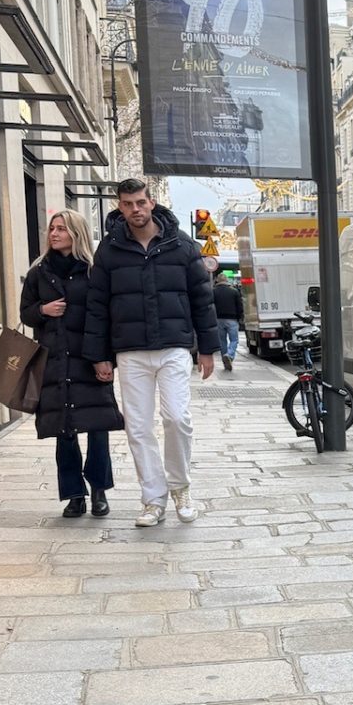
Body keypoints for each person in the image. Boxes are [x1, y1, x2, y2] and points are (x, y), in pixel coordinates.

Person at [83, 177, 219, 527]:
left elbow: (202, 299)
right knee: (138, 427)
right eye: (127, 204)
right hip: (130, 351)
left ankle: (181, 487)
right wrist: (100, 355)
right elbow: (97, 305)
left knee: (177, 418)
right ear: (119, 206)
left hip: (174, 346)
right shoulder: (110, 250)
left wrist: (208, 349)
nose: (135, 210)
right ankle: (153, 499)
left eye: (140, 202)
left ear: (152, 201)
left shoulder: (182, 245)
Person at [19, 211, 124, 518]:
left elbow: (107, 317)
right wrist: (43, 309)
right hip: (54, 361)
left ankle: (99, 491)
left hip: (90, 359)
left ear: (76, 233)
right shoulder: (39, 271)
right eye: (52, 228)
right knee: (64, 430)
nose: (54, 233)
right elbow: (25, 313)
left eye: (61, 228)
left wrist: (106, 359)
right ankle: (74, 495)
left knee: (98, 427)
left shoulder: (94, 271)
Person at [212, 267, 244, 371]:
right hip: (232, 319)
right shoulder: (234, 291)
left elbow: (211, 306)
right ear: (226, 280)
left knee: (222, 341)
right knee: (234, 339)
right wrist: (239, 317)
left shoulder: (213, 291)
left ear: (217, 280)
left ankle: (224, 358)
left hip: (218, 319)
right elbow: (239, 306)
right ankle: (229, 355)